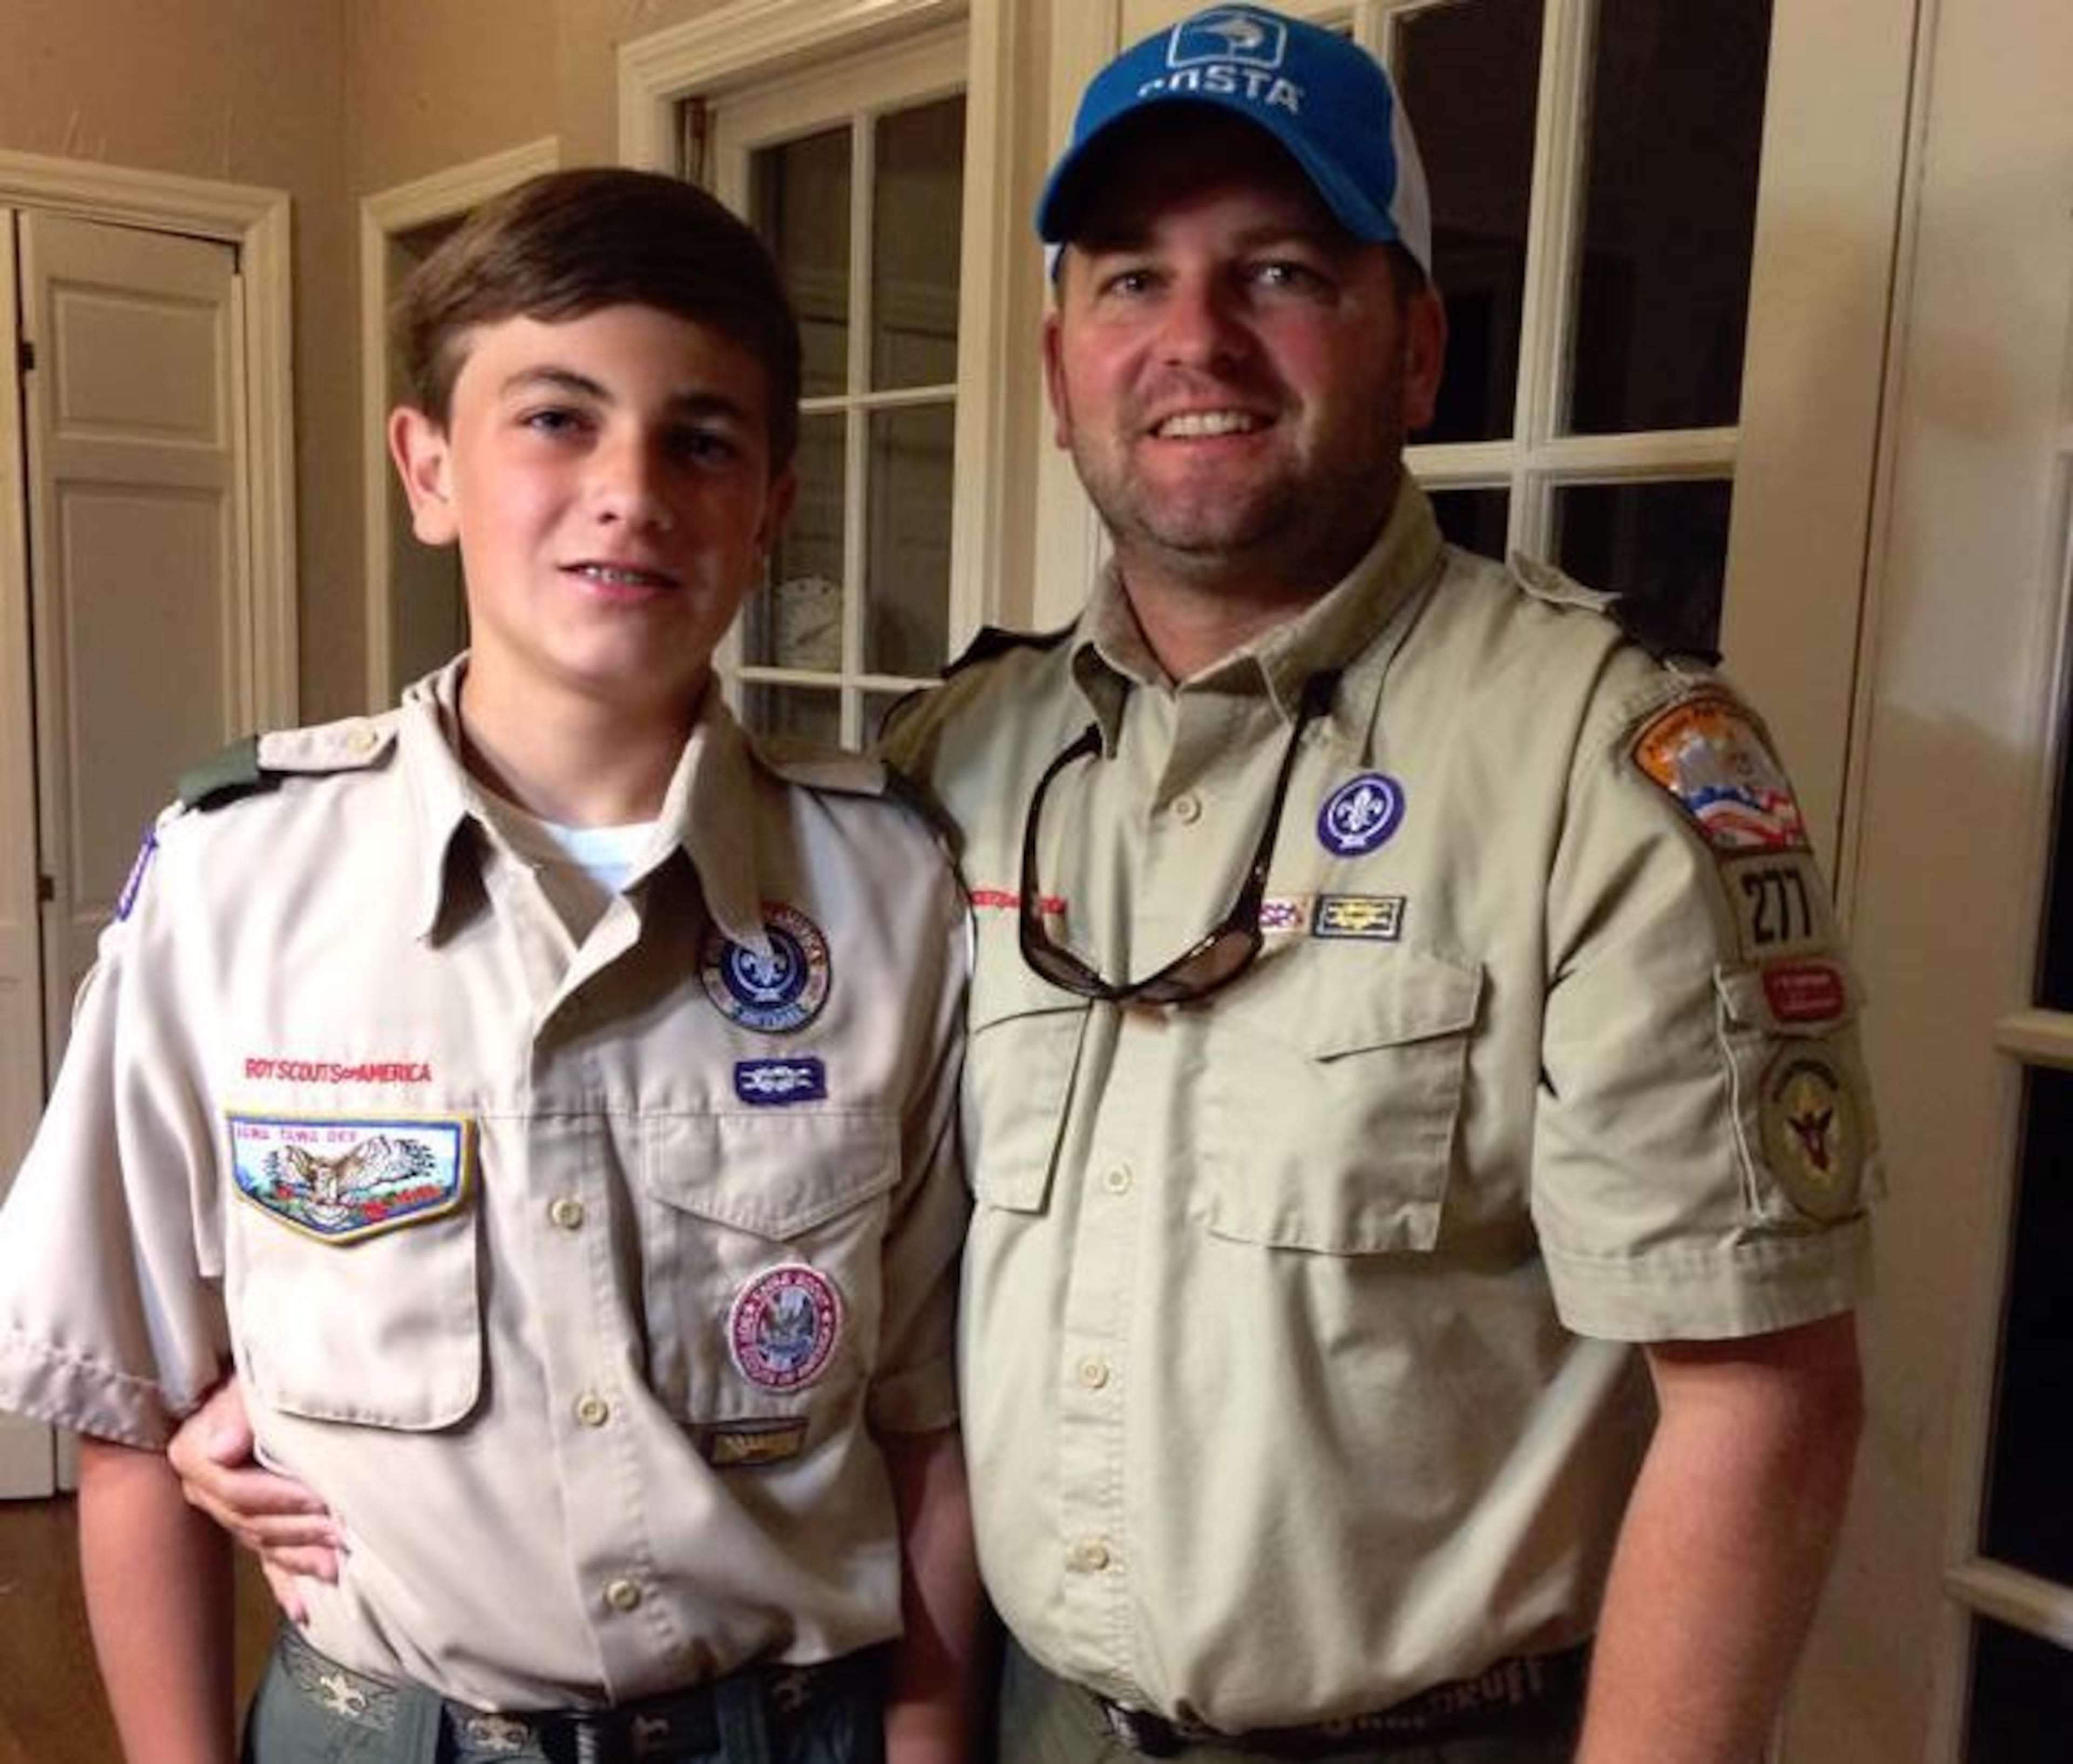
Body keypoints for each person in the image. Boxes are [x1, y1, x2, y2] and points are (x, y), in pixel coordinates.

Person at [173, 10, 1876, 1761]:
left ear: (1418, 347)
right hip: (1018, 1713)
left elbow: (1765, 1401)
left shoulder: (1606, 773)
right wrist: (329, 1375)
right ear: (1059, 367)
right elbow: (673, 1152)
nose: (1194, 337)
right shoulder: (940, 779)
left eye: (1279, 270)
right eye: (1130, 280)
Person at [0, 167, 980, 1764]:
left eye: (702, 438)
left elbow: (925, 1434)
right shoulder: (236, 883)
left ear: (772, 502)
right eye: (555, 418)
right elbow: (123, 1418)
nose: (631, 487)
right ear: (428, 466)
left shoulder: (891, 892)